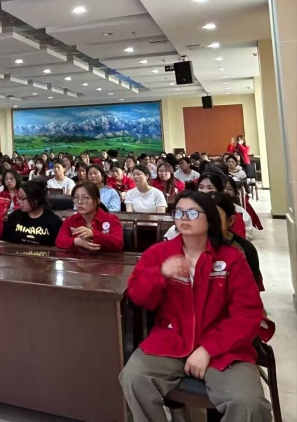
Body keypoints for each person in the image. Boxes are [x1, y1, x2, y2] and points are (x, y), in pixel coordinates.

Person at [119, 191, 270, 422]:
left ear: (209, 218)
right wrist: (159, 274)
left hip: (224, 348)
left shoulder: (231, 258)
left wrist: (208, 349)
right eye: (178, 212)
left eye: (192, 213)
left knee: (249, 402)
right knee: (133, 377)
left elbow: (247, 313)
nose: (183, 218)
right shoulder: (160, 253)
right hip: (172, 340)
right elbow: (140, 297)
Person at [56, 181, 123, 252]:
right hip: (78, 259)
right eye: (76, 197)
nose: (79, 202)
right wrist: (76, 241)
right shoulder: (70, 220)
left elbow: (118, 244)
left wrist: (93, 234)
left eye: (85, 198)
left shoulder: (111, 219)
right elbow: (59, 241)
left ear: (97, 200)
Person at [2, 181, 62, 246]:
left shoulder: (53, 221)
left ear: (35, 200)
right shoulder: (14, 217)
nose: (19, 201)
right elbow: (5, 242)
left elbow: (57, 247)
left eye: (22, 198)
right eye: (18, 197)